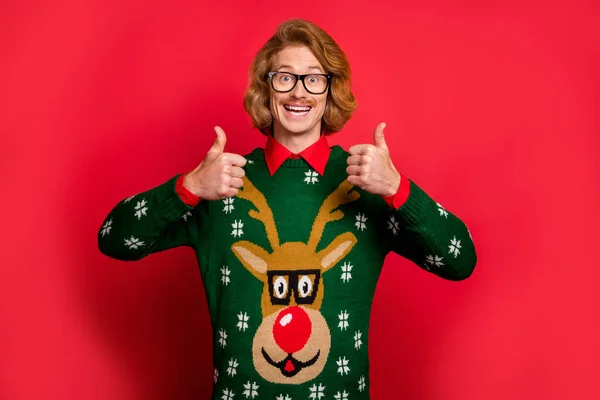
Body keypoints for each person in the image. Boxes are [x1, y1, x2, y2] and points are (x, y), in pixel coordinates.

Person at [98, 18, 477, 400]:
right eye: (285, 77)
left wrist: (398, 189)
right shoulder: (223, 181)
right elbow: (113, 239)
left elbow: (460, 262)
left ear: (331, 91)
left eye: (314, 78)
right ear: (267, 89)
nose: (300, 92)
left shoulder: (367, 184)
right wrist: (188, 187)